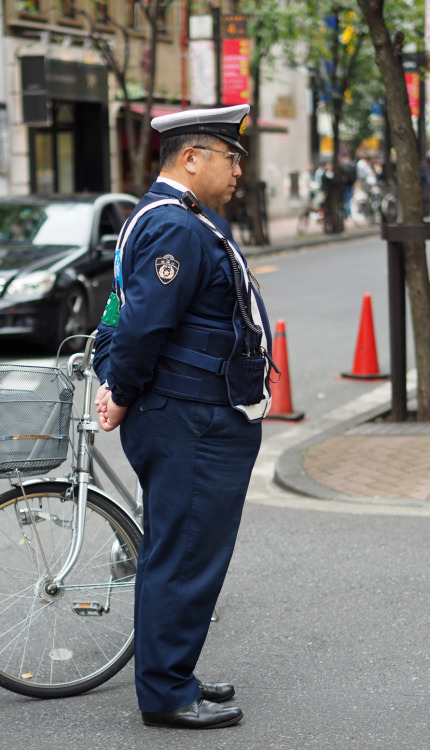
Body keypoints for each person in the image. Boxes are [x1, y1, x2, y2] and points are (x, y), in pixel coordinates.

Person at [92, 105, 274, 729]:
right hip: (190, 415)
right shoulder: (176, 226)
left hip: (186, 411)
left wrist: (116, 378)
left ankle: (175, 672)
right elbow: (142, 323)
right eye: (230, 159)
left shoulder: (168, 219)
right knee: (186, 552)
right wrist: (118, 388)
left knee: (183, 548)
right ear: (191, 158)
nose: (237, 174)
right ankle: (167, 692)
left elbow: (119, 309)